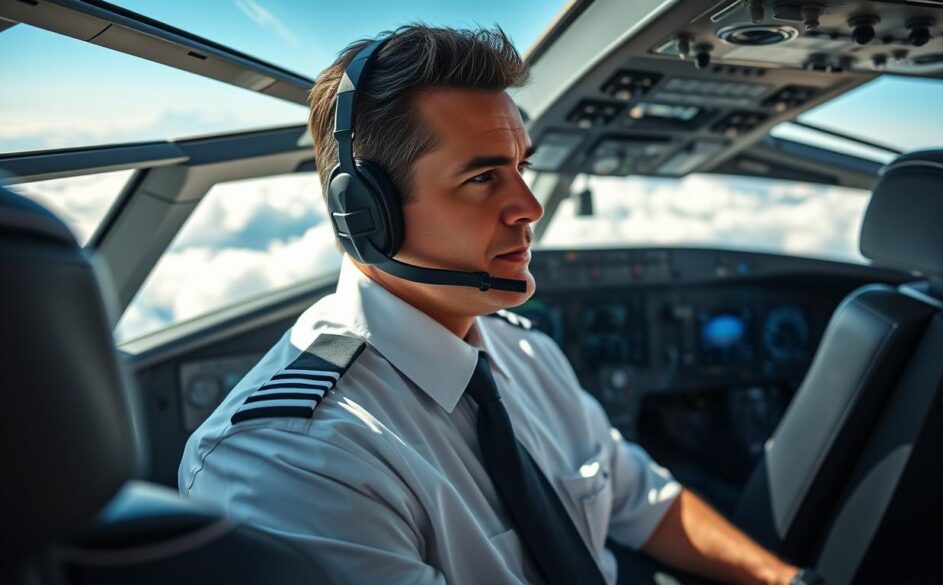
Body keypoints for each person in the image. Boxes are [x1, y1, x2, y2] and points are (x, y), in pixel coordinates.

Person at [179, 24, 808, 585]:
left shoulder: (525, 353)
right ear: (366, 215)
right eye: (482, 178)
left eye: (521, 167)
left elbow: (642, 498)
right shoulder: (292, 458)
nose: (529, 207)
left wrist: (785, 582)